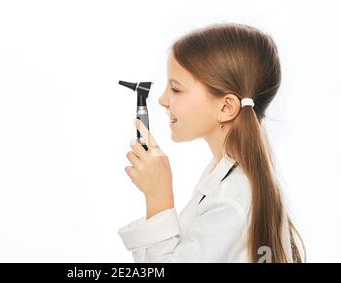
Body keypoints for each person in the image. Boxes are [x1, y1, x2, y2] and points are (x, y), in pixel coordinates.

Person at [119, 23, 305, 263]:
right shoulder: (223, 177)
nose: (163, 100)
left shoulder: (230, 200)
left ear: (226, 107)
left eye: (175, 89)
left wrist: (158, 196)